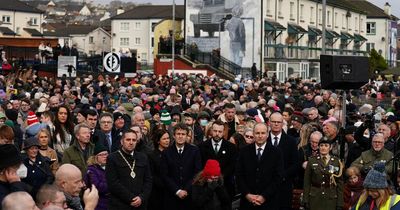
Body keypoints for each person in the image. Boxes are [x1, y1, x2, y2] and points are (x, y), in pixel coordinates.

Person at [235, 123, 284, 210]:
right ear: (253, 134)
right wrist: (247, 194)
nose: (260, 136)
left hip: (269, 202)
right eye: (257, 133)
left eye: (263, 133)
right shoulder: (244, 152)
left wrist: (264, 196)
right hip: (247, 202)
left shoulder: (276, 153)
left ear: (267, 134)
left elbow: (278, 177)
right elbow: (239, 175)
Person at [106, 129, 152, 210]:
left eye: (134, 140)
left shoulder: (143, 157)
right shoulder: (112, 158)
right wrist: (131, 198)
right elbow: (113, 183)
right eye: (128, 140)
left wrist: (142, 197)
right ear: (122, 141)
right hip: (120, 205)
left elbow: (148, 180)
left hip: (140, 204)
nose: (131, 142)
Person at [160, 123, 202, 210]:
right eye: (178, 134)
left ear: (187, 136)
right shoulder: (166, 152)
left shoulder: (194, 151)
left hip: (190, 196)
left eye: (183, 134)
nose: (180, 136)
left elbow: (197, 172)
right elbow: (164, 175)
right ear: (174, 136)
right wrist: (177, 191)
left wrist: (187, 189)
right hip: (171, 195)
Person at [267, 112, 299, 210]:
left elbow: (295, 164)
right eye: (274, 122)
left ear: (282, 124)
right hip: (265, 186)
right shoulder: (263, 139)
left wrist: (282, 176)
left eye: (278, 122)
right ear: (269, 123)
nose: (276, 124)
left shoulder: (291, 141)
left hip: (284, 186)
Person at [199, 120, 238, 199]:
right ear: (211, 131)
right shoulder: (201, 146)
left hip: (225, 186)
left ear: (223, 132)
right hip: (206, 186)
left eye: (220, 131)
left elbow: (232, 165)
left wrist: (220, 176)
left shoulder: (231, 147)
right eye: (215, 131)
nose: (217, 134)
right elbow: (200, 165)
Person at [303, 138, 344, 210]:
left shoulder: (336, 162)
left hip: (331, 197)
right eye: (321, 145)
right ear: (318, 147)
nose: (323, 148)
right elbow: (307, 182)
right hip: (315, 197)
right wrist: (305, 200)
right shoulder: (312, 160)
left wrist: (340, 203)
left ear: (330, 147)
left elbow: (339, 184)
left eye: (326, 145)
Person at [148, 129, 170, 210]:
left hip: (172, 191)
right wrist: (165, 185)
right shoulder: (152, 156)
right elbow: (151, 174)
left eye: (168, 138)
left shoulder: (172, 153)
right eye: (164, 139)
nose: (167, 141)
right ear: (158, 141)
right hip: (158, 192)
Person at [85, 143, 109, 210]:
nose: (105, 156)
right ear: (95, 157)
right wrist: (112, 184)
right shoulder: (91, 170)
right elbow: (97, 187)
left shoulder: (110, 167)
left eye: (106, 154)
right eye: (102, 155)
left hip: (111, 202)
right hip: (99, 203)